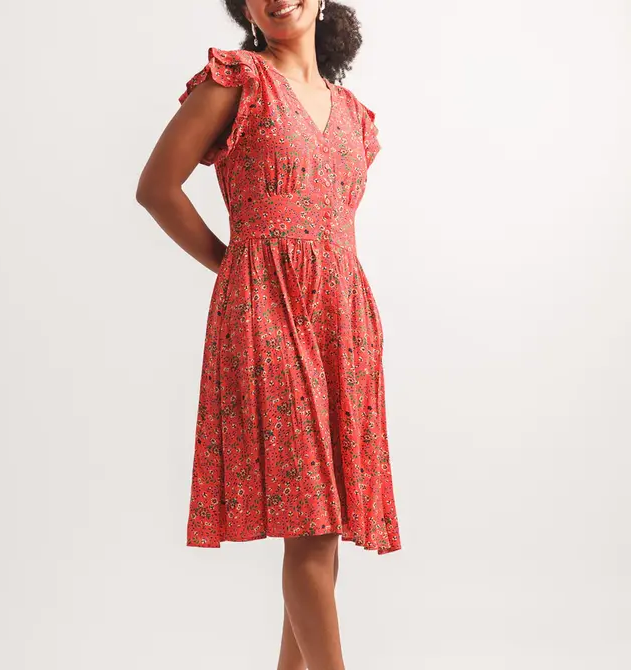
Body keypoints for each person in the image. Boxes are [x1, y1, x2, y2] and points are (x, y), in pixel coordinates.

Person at [136, 1, 401, 668]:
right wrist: (237, 266)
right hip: (265, 311)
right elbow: (157, 187)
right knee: (310, 524)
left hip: (343, 319)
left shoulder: (355, 116)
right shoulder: (237, 80)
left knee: (325, 530)